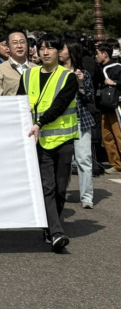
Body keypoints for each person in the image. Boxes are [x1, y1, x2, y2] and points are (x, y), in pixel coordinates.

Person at [19, 34, 77, 252]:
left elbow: (60, 105)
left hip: (62, 140)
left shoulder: (68, 77)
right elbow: (18, 104)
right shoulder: (28, 75)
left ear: (60, 52)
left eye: (50, 48)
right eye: (41, 48)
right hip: (38, 141)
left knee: (61, 189)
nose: (45, 52)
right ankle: (56, 232)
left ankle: (50, 225)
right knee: (48, 187)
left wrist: (40, 122)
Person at [60, 38, 95, 208]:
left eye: (63, 49)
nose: (59, 51)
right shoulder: (55, 73)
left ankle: (87, 197)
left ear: (71, 52)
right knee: (63, 160)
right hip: (60, 122)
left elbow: (89, 98)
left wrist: (80, 82)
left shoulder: (84, 73)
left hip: (81, 120)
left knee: (84, 159)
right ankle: (61, 192)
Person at [95, 43, 121, 174]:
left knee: (118, 135)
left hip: (115, 107)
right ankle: (116, 164)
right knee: (107, 137)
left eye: (98, 54)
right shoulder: (98, 68)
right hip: (103, 106)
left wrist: (115, 83)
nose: (96, 56)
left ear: (105, 54)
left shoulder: (116, 68)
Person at [0, 29, 37, 96]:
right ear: (8, 46)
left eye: (22, 42)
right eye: (15, 43)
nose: (19, 46)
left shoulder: (37, 68)